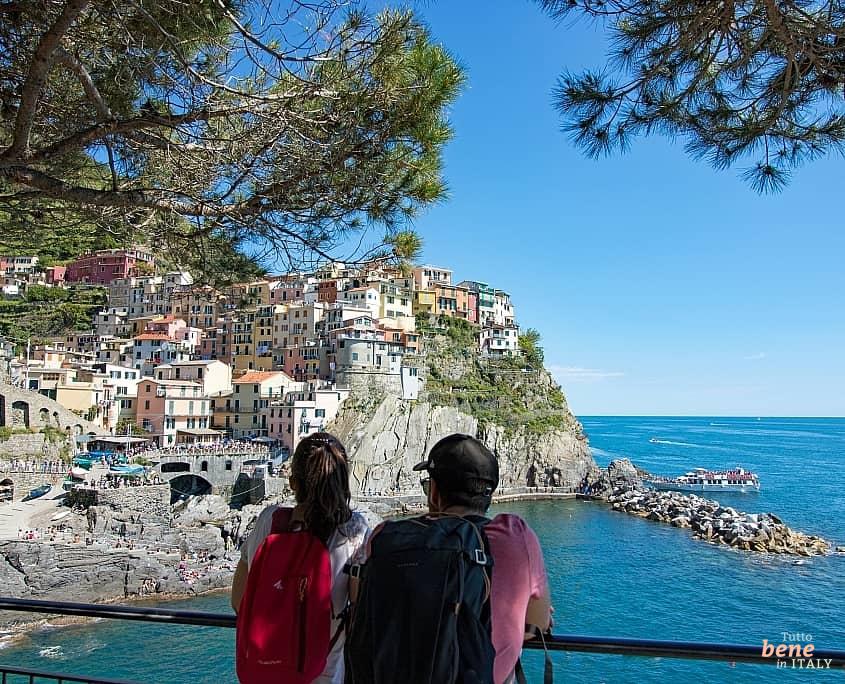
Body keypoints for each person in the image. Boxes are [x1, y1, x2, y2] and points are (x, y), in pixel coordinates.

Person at [350, 434, 552, 684]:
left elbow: (364, 606)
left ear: (434, 492)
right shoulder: (515, 535)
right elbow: (538, 624)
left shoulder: (385, 536)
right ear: (488, 494)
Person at [231, 432, 369, 684]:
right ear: (342, 481)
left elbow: (238, 599)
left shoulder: (269, 520)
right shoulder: (353, 530)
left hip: (264, 668)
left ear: (294, 482)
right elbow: (362, 612)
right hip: (323, 673)